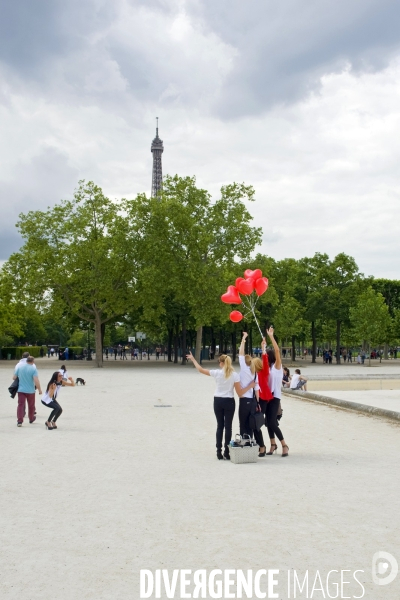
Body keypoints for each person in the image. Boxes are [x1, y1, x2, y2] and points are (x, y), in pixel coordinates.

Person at [186, 351, 256, 460]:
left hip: (218, 400)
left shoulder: (217, 373)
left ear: (222, 363)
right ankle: (227, 452)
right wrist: (250, 386)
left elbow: (200, 370)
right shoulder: (235, 375)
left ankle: (218, 451)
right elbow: (240, 393)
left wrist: (193, 359)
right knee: (228, 427)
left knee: (220, 426)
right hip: (229, 401)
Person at [265, 327, 289, 457]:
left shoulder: (277, 366)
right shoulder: (267, 367)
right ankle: (272, 444)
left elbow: (277, 350)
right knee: (267, 422)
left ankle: (284, 445)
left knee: (273, 422)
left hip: (275, 397)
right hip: (267, 397)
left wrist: (271, 336)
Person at [238, 332, 260, 440]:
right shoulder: (254, 372)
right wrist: (258, 403)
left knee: (242, 424)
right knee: (250, 424)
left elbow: (241, 352)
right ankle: (250, 442)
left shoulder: (244, 369)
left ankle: (244, 444)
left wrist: (243, 339)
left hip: (244, 399)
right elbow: (257, 390)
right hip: (252, 401)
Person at [13, 356, 42, 427]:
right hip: (31, 390)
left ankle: (19, 421)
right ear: (33, 361)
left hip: (21, 389)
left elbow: (14, 377)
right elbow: (36, 380)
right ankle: (31, 418)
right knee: (31, 406)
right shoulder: (33, 368)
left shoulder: (20, 367)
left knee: (20, 405)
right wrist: (39, 389)